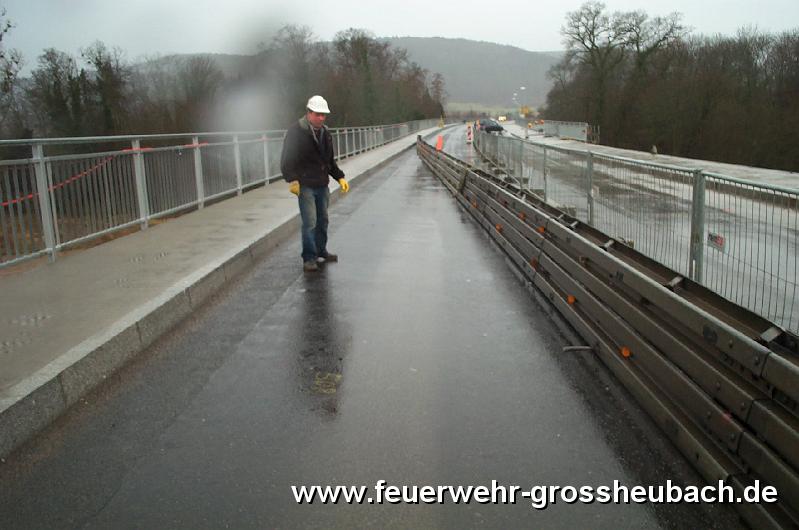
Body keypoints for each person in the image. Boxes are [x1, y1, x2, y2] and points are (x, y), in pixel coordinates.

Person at [280, 95, 349, 272]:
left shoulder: (325, 133)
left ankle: (321, 250)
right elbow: (287, 159)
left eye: (323, 115)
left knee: (323, 220)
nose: (321, 118)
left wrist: (339, 176)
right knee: (310, 222)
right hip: (306, 184)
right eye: (318, 114)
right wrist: (292, 179)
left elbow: (329, 161)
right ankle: (309, 257)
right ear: (309, 113)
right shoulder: (296, 132)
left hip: (321, 183)